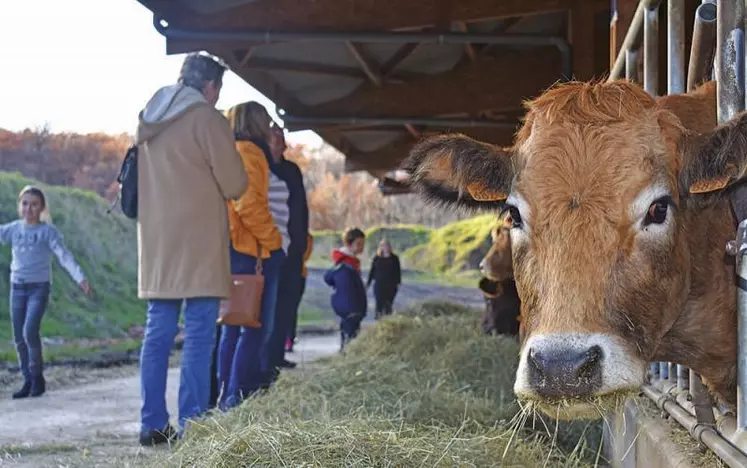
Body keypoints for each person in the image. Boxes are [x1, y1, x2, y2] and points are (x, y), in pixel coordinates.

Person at [136, 52, 248, 446]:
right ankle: (193, 425)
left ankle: (151, 424)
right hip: (199, 241)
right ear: (211, 87)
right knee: (200, 335)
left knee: (158, 333)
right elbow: (235, 185)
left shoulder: (148, 117)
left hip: (157, 241)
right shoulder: (207, 119)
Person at [217, 101, 289, 410]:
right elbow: (248, 204)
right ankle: (235, 400)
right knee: (252, 328)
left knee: (234, 326)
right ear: (256, 122)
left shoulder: (230, 150)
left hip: (236, 249)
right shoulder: (249, 152)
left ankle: (228, 396)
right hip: (252, 252)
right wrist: (274, 243)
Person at [0, 186, 90, 400]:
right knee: (18, 338)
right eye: (25, 204)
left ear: (41, 208)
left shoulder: (47, 232)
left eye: (34, 204)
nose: (28, 208)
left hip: (38, 288)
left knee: (29, 331)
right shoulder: (13, 229)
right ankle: (27, 380)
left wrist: (80, 278)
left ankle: (37, 376)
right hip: (17, 288)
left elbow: (64, 256)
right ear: (19, 206)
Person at [268, 125, 309, 370]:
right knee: (266, 310)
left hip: (292, 251)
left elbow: (301, 210)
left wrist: (301, 244)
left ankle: (275, 357)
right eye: (276, 139)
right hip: (269, 248)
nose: (281, 143)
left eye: (282, 139)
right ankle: (263, 363)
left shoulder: (292, 170)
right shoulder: (258, 168)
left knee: (285, 308)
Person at [324, 228, 367, 351]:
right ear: (349, 244)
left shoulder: (352, 262)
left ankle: (346, 351)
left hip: (352, 303)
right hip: (348, 304)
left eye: (363, 244)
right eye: (358, 244)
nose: (361, 248)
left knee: (351, 330)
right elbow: (328, 277)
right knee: (350, 333)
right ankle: (346, 352)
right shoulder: (344, 263)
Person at [285, 232, 313, 353]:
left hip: (298, 273)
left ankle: (289, 339)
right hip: (287, 271)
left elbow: (305, 255)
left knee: (291, 308)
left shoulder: (306, 237)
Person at [366, 239, 402, 319]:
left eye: (387, 245)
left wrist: (398, 282)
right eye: (383, 246)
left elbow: (398, 271)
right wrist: (368, 283)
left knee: (388, 305)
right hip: (379, 285)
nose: (385, 247)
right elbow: (372, 271)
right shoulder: (377, 258)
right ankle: (378, 322)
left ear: (389, 247)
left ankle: (387, 323)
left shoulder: (395, 258)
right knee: (379, 304)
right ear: (380, 247)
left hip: (391, 286)